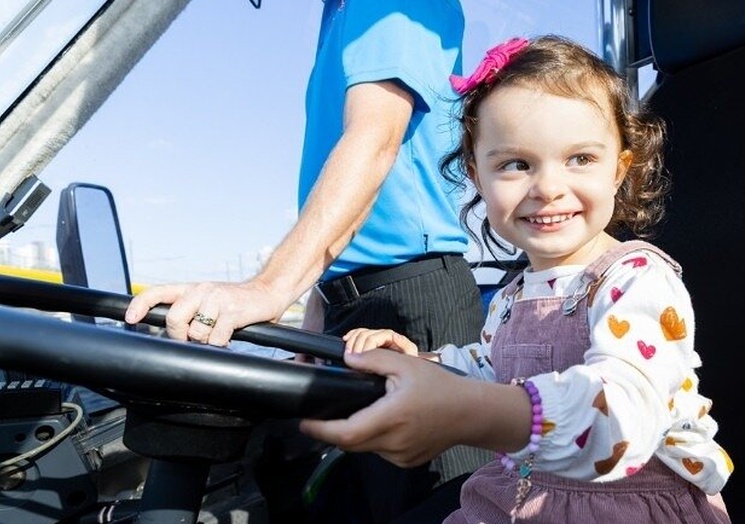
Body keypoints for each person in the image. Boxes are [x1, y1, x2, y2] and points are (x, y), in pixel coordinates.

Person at [299, 35, 734, 523]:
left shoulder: (636, 280)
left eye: (580, 159)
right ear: (478, 177)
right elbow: (491, 366)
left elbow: (621, 421)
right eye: (516, 164)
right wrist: (423, 362)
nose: (548, 188)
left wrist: (469, 413)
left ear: (619, 169)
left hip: (625, 506)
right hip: (519, 495)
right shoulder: (514, 294)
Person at [125, 1, 485, 522]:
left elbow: (376, 139)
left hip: (414, 302)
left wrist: (270, 288)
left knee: (439, 508)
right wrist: (316, 320)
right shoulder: (338, 14)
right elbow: (350, 200)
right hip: (349, 305)